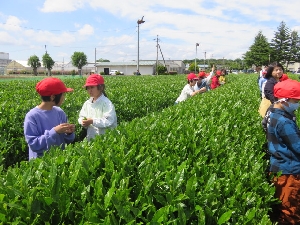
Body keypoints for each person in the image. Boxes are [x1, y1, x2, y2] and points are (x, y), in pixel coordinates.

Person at [264, 79, 300, 224]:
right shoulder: (284, 121)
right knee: (290, 211)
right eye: (295, 100)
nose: (297, 104)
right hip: (289, 170)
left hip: (279, 166)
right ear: (285, 100)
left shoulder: (272, 111)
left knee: (284, 207)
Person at [24, 77, 75, 160]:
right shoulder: (32, 116)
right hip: (40, 165)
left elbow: (67, 140)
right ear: (52, 97)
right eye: (62, 94)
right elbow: (34, 145)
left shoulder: (60, 112)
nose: (64, 97)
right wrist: (54, 131)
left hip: (59, 161)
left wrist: (68, 133)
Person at [78, 74, 117, 141]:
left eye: (92, 87)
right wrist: (82, 121)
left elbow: (109, 121)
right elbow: (81, 116)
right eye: (88, 88)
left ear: (101, 88)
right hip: (90, 138)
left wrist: (92, 121)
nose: (90, 90)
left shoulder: (106, 103)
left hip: (105, 139)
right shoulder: (87, 103)